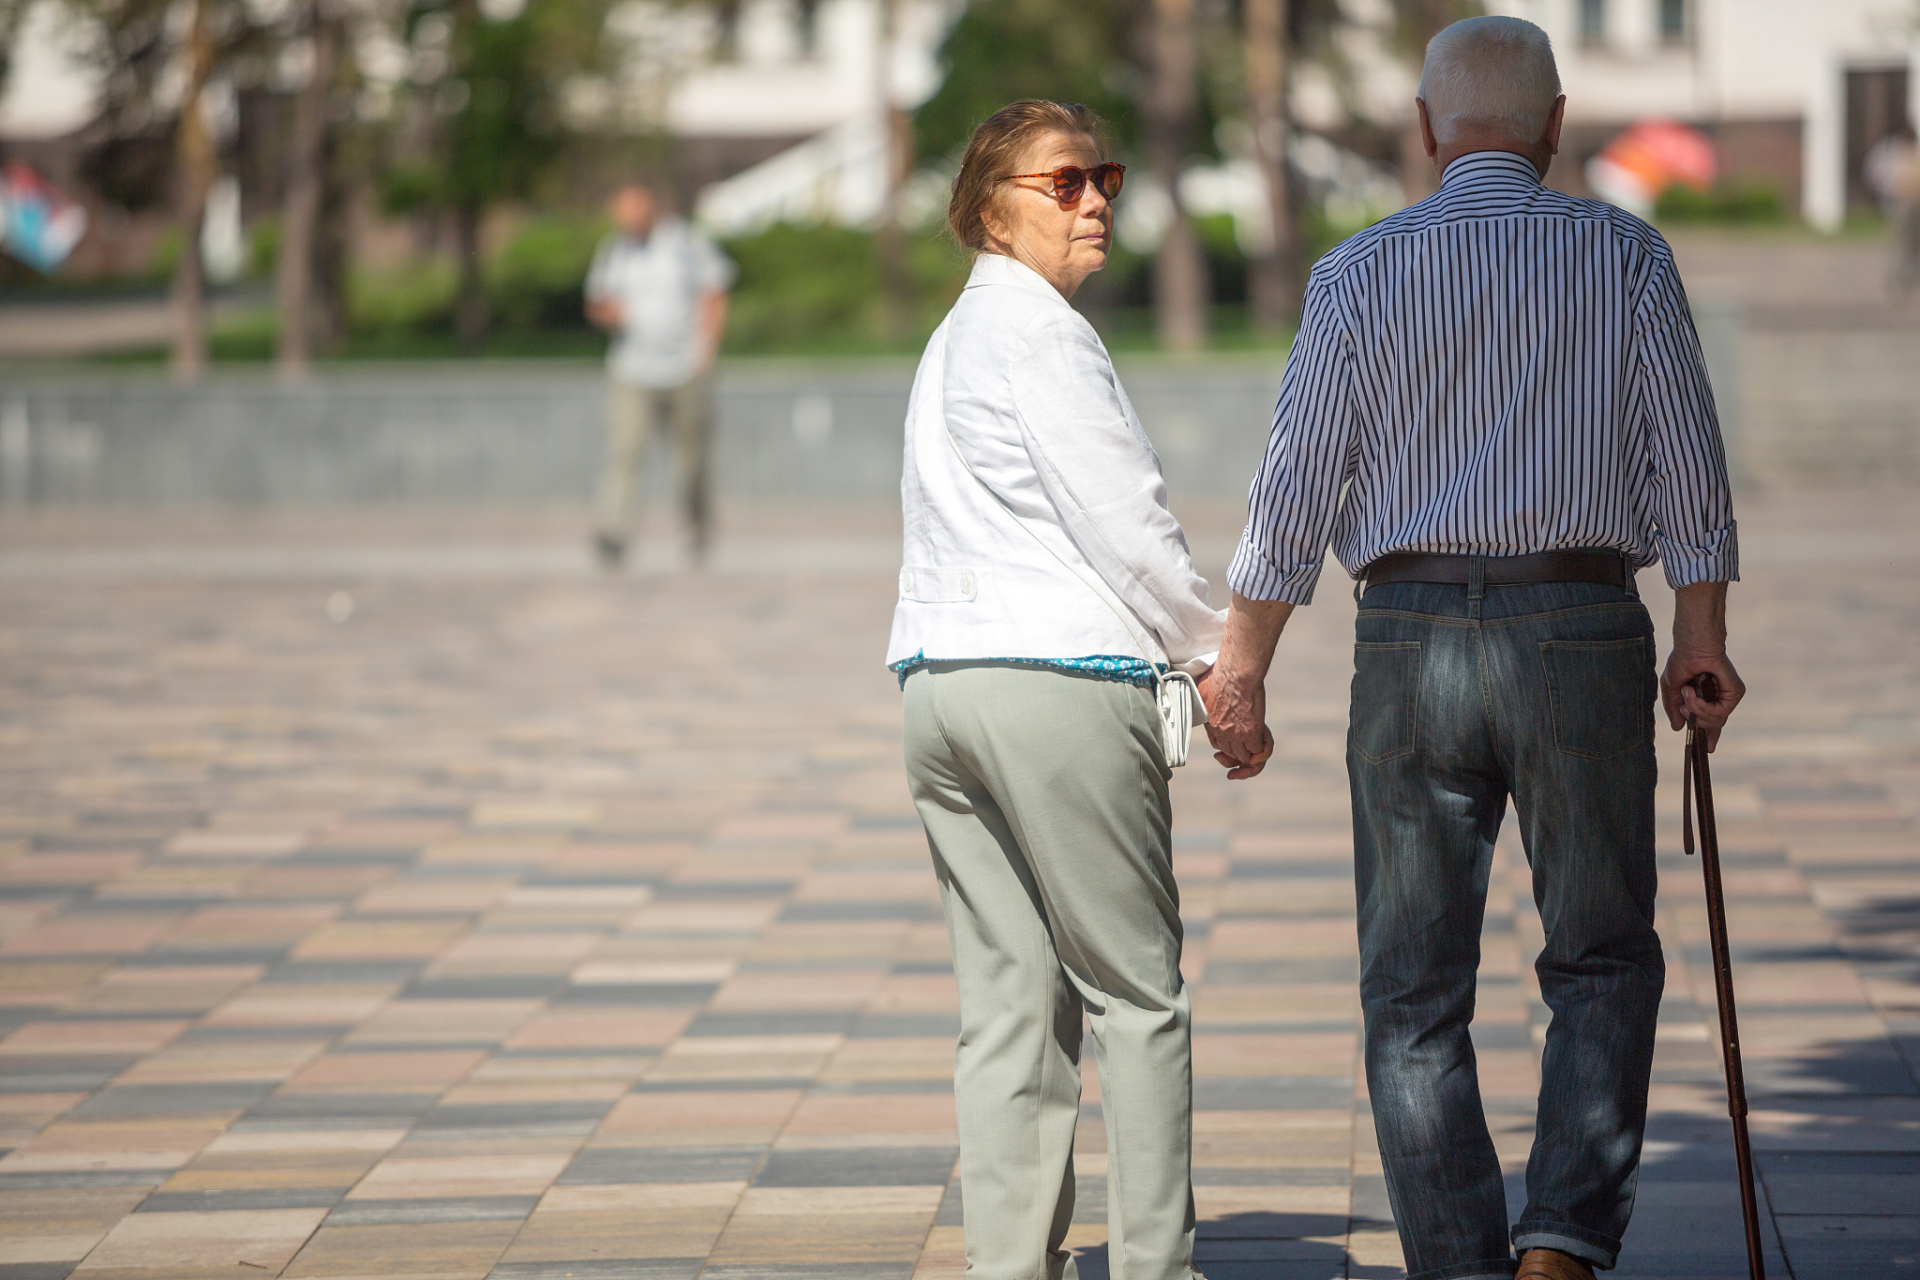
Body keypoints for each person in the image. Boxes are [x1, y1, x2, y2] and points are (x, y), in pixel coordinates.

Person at [1199, 17, 1744, 1280]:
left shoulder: (1356, 271)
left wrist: (1243, 667)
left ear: (1427, 128)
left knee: (1412, 987)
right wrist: (1700, 638)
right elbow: (1690, 468)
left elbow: (1294, 492)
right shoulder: (1627, 256)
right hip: (1581, 627)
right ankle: (1558, 1244)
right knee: (1600, 955)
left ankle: (1455, 1262)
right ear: (1555, 123)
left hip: (1407, 638)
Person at [886, 100, 1224, 1280]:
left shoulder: (953, 339)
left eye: (1103, 177)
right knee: (1137, 996)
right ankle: (1156, 1267)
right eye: (1063, 183)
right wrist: (1216, 660)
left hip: (941, 684)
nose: (1094, 202)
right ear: (990, 212)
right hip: (1057, 684)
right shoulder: (1044, 336)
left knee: (1011, 1006)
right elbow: (1125, 524)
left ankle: (1009, 1265)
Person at [585, 181, 734, 568]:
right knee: (626, 451)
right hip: (632, 369)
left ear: (650, 208)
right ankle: (614, 532)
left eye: (633, 211)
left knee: (691, 460)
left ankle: (697, 527)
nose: (627, 221)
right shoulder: (614, 249)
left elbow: (715, 290)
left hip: (685, 368)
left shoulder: (686, 243)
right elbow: (596, 301)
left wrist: (708, 346)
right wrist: (608, 314)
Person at [1865, 123, 1920, 298]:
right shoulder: (1891, 152)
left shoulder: (1914, 153)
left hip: (1915, 205)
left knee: (1913, 244)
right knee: (1903, 242)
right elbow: (1878, 175)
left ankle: (1909, 277)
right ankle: (1900, 277)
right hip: (1900, 204)